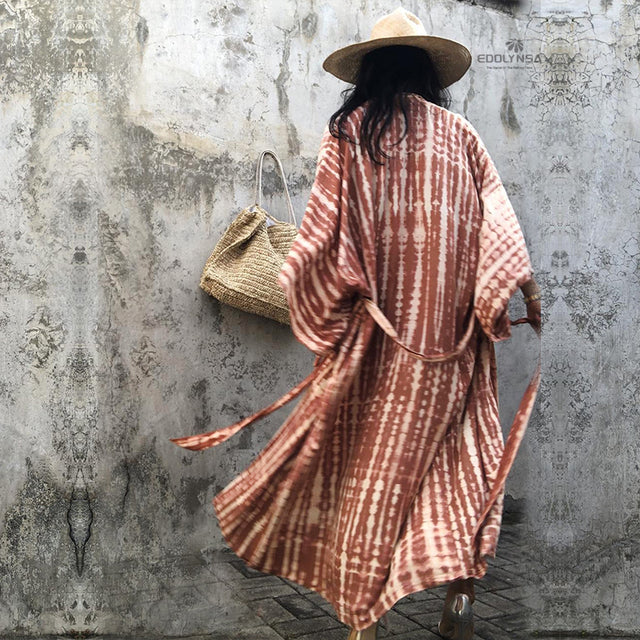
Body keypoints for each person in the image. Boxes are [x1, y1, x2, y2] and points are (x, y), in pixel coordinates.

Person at [170, 7, 541, 640]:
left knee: (372, 474)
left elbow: (316, 241)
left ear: (366, 73)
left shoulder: (348, 135)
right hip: (453, 350)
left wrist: (327, 309)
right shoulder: (461, 136)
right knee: (461, 468)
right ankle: (459, 591)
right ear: (431, 72)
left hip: (376, 350)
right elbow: (500, 232)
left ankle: (362, 620)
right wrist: (526, 296)